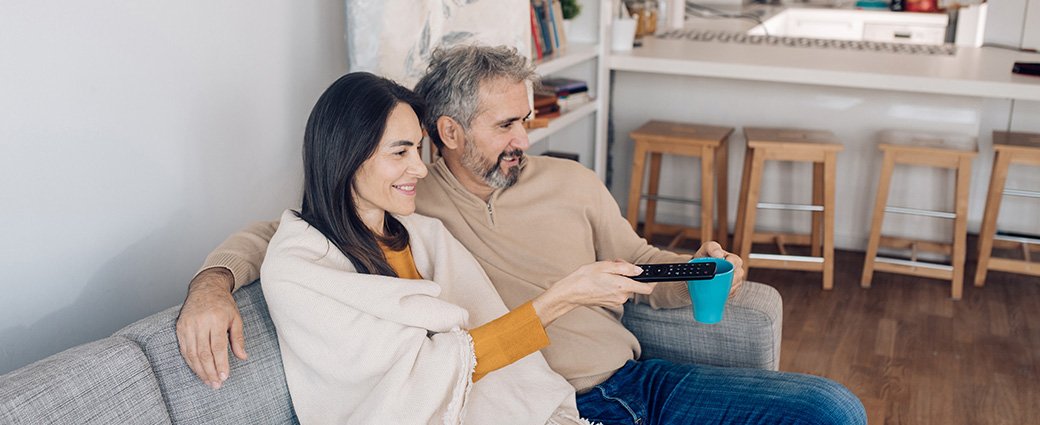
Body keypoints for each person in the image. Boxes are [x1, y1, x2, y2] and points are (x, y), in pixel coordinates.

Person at [177, 45, 867, 424]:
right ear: (449, 133)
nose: (525, 138)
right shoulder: (414, 204)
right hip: (547, 398)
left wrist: (699, 268)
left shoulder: (569, 182)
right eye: (505, 124)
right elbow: (289, 231)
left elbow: (639, 262)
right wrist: (212, 281)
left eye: (527, 119)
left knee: (829, 408)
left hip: (638, 378)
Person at [256, 71, 654, 423]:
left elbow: (471, 346)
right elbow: (416, 385)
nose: (420, 167)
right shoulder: (302, 270)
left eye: (417, 148)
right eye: (400, 152)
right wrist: (560, 299)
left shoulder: (422, 235)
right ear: (346, 156)